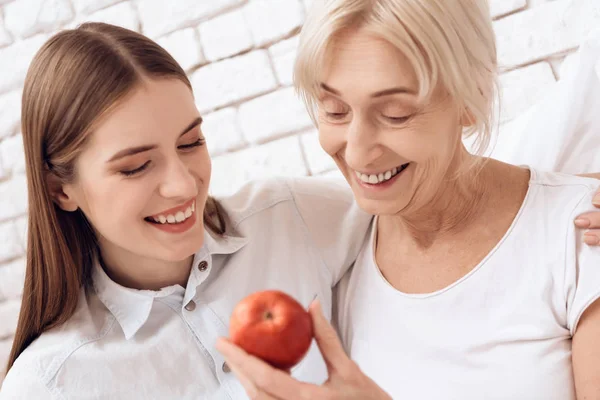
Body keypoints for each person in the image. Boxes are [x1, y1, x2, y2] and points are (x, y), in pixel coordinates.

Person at [215, 1, 600, 399]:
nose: (358, 154)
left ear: (473, 95)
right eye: (334, 111)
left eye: (396, 114)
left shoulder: (583, 234)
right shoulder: (337, 253)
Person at [0, 23, 372, 399]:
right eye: (136, 166)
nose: (182, 185)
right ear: (61, 190)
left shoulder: (289, 217)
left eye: (191, 142)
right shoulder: (47, 384)